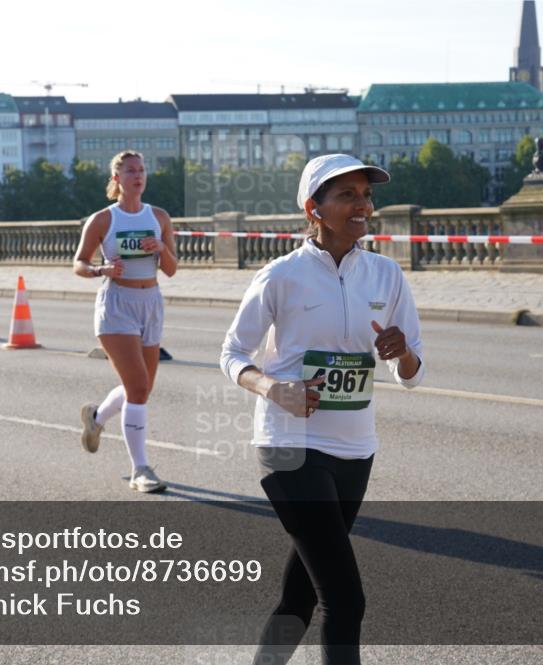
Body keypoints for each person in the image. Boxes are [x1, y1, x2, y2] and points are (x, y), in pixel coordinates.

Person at [220, 154, 425, 664]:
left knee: (301, 595)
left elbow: (414, 374)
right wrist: (272, 388)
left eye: (366, 195)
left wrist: (403, 354)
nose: (363, 205)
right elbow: (231, 355)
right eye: (348, 195)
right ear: (315, 207)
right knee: (346, 599)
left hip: (356, 450)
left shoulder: (386, 275)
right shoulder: (280, 276)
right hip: (289, 446)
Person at [73, 150, 177, 493]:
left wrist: (160, 247)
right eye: (131, 170)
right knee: (137, 388)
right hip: (117, 303)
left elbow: (172, 268)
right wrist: (102, 269)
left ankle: (97, 418)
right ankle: (141, 469)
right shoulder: (104, 219)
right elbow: (79, 263)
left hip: (151, 301)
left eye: (142, 169)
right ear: (117, 178)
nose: (138, 175)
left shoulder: (158, 216)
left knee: (142, 388)